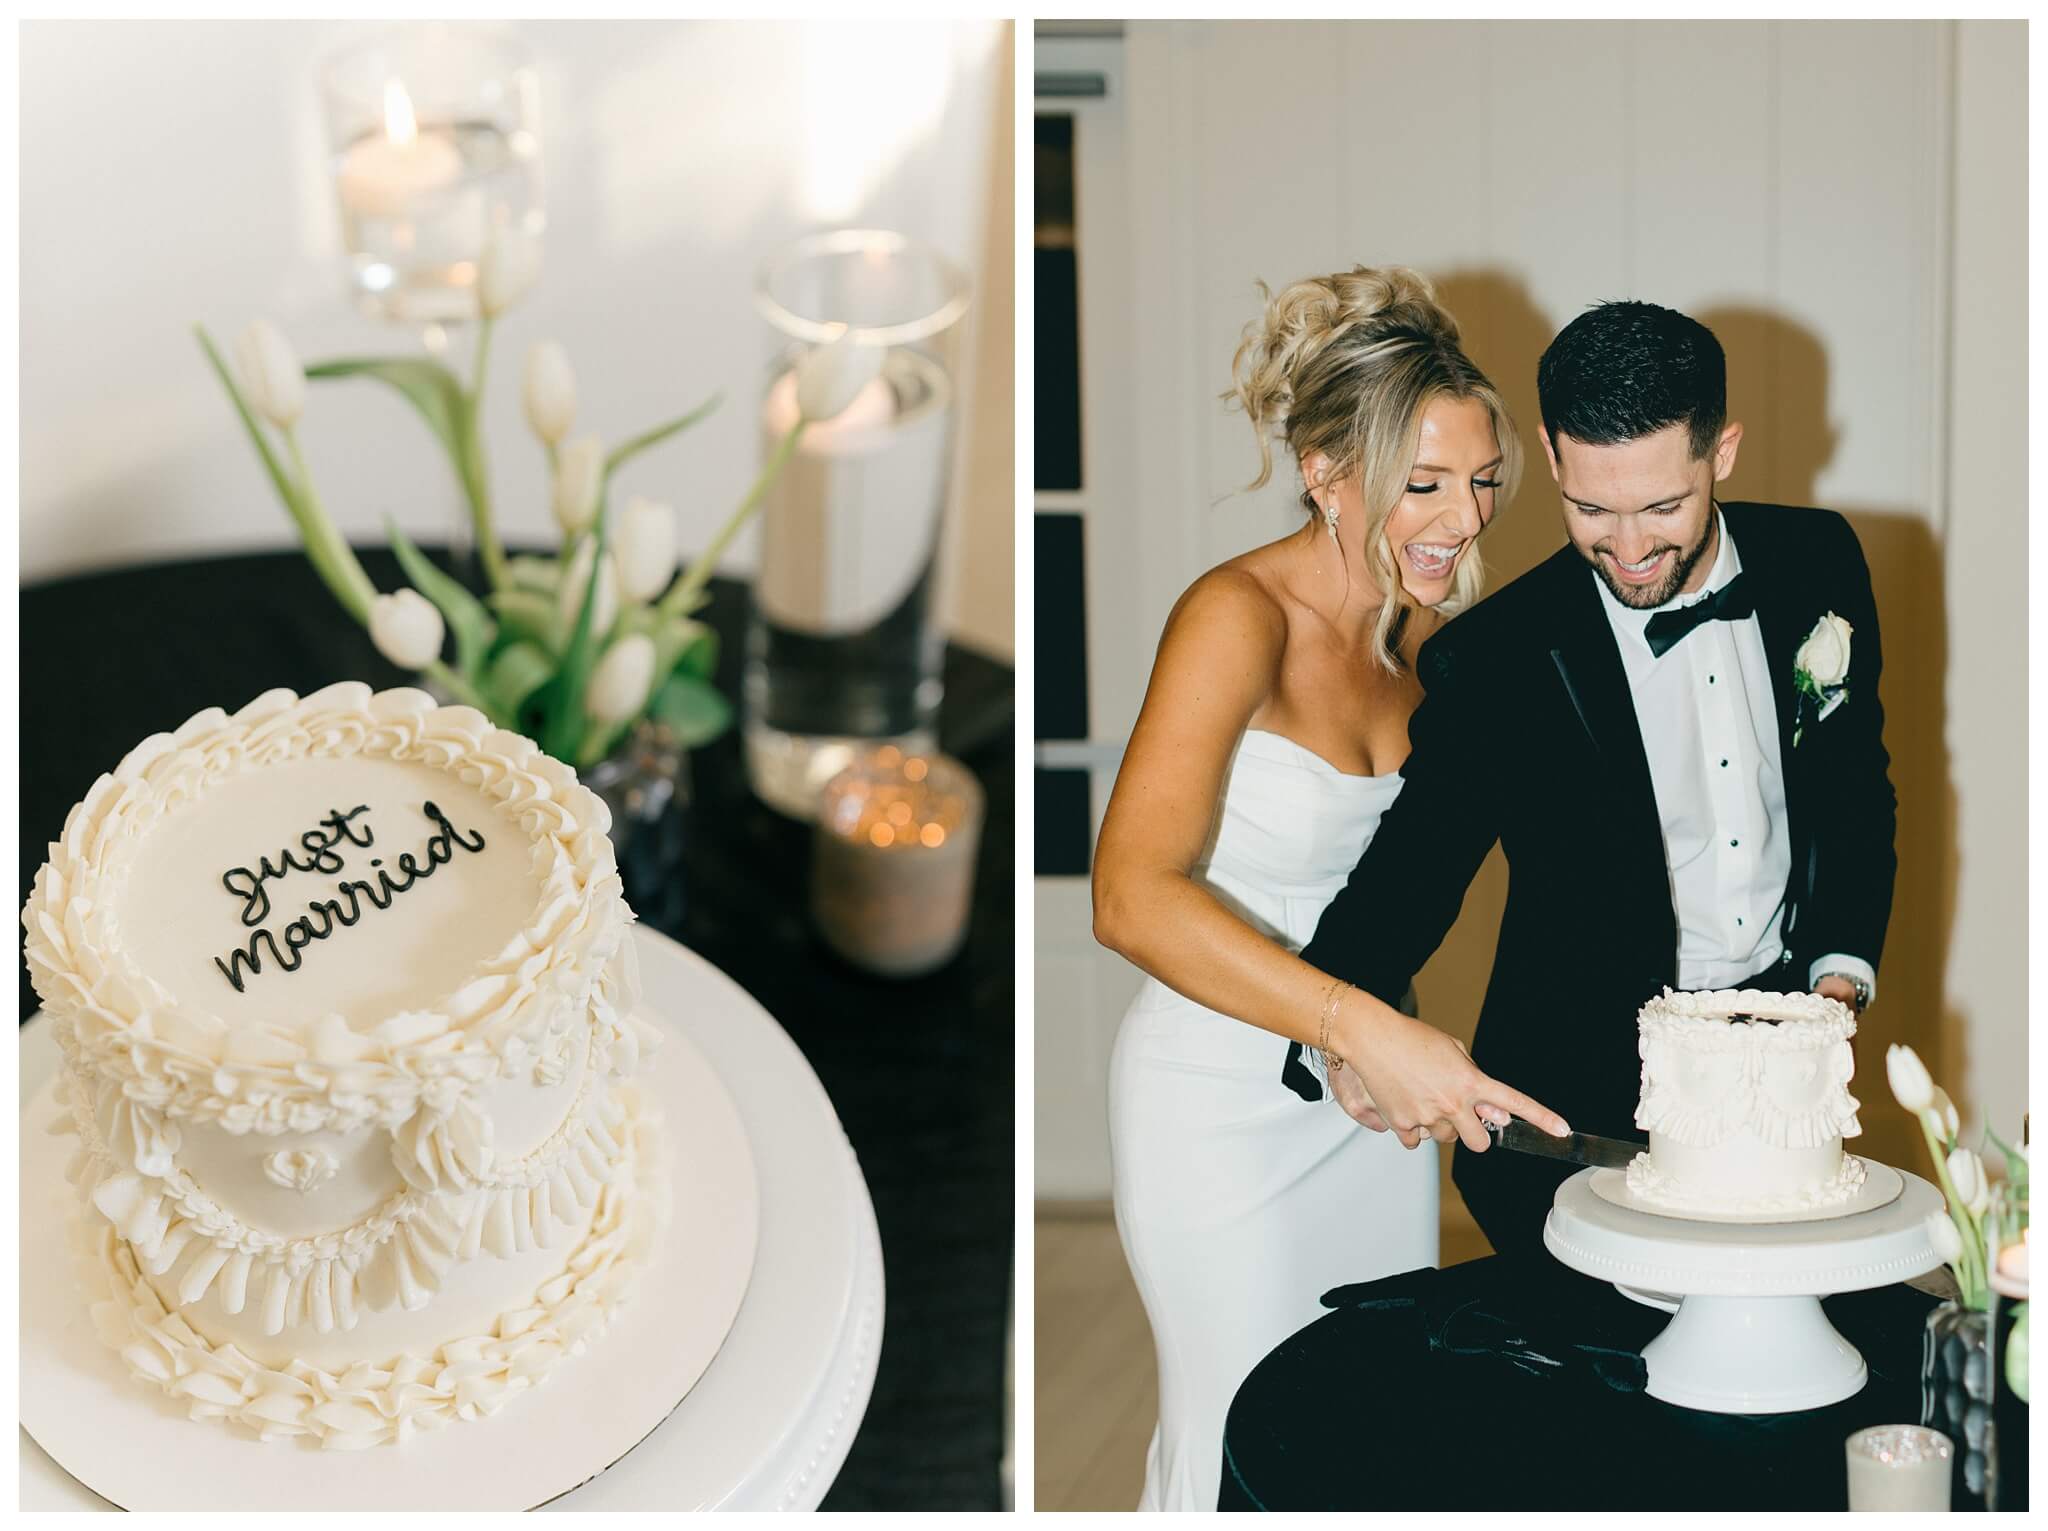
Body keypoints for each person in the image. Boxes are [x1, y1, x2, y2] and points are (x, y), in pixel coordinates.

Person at [1093, 265, 1569, 1512]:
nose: (1461, 520)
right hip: (1216, 1105)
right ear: (1323, 467)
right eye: (1422, 484)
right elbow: (1129, 897)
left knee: (1367, 1438)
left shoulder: (1424, 655)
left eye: (1480, 483)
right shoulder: (1232, 616)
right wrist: (1357, 1023)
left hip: (1364, 1111)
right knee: (1238, 1432)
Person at [1297, 299, 1897, 1253]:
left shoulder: (1819, 560)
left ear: (1722, 452)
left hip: (1790, 1092)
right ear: (1552, 453)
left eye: (1663, 506)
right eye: (1591, 509)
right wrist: (1344, 1028)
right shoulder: (1499, 658)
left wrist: (1835, 987)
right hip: (1574, 1130)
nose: (1627, 547)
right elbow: (1412, 870)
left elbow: (1854, 785)